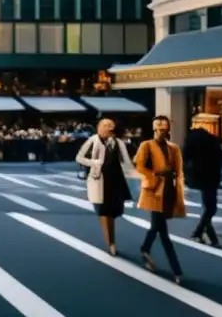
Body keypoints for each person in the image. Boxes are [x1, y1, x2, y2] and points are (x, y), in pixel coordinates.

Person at [135, 115, 185, 284]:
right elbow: (139, 166)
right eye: (159, 128)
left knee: (157, 226)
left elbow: (179, 170)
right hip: (154, 190)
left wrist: (179, 188)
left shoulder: (174, 148)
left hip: (169, 191)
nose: (162, 131)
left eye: (165, 128)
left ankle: (145, 248)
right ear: (154, 128)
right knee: (162, 231)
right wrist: (155, 175)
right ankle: (177, 270)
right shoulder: (146, 145)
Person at [76, 118, 133, 256]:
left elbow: (127, 162)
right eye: (106, 125)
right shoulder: (93, 140)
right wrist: (95, 163)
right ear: (98, 128)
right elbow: (79, 158)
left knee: (113, 212)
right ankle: (111, 244)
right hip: (99, 179)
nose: (109, 128)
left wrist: (138, 174)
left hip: (115, 179)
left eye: (110, 125)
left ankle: (111, 242)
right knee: (103, 211)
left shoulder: (118, 143)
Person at [183, 125, 222, 246]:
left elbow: (185, 157)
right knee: (211, 207)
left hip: (198, 176)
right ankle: (200, 233)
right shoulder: (212, 141)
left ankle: (204, 234)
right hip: (212, 175)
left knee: (209, 207)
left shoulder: (191, 141)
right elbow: (221, 156)